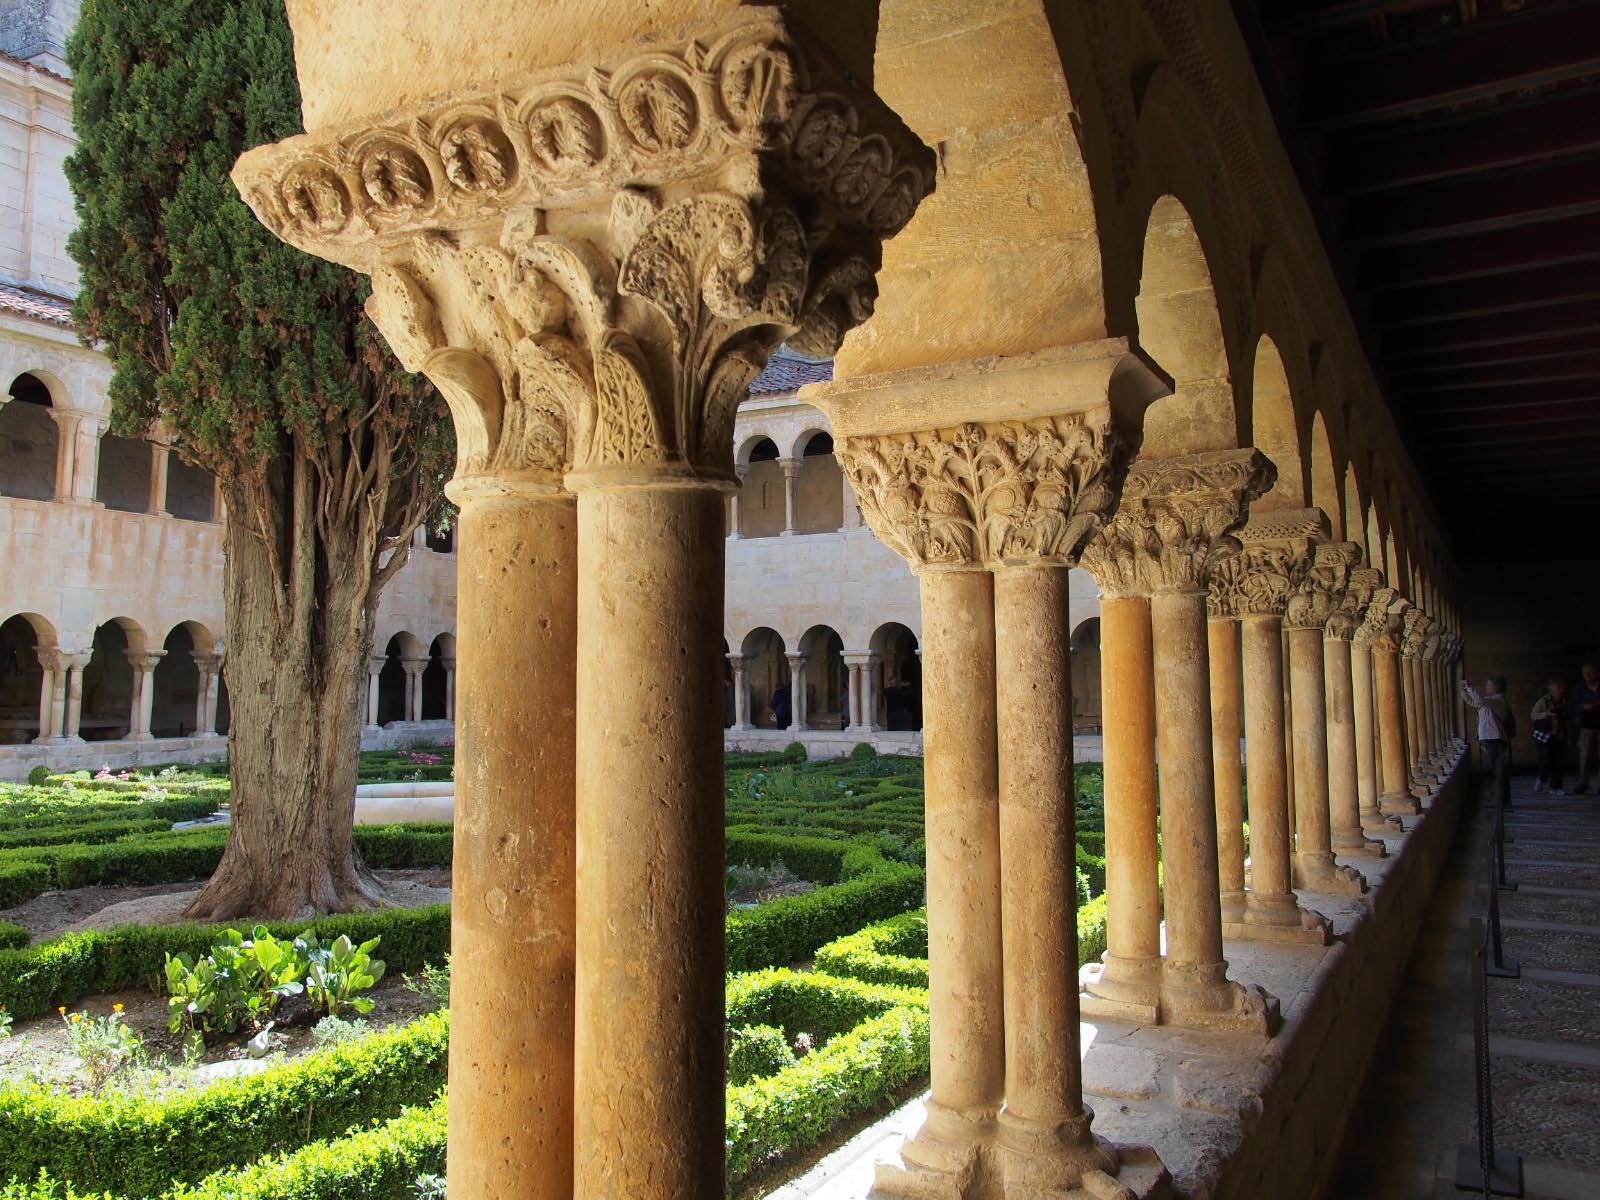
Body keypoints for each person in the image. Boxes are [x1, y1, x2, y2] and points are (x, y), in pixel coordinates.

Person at [1461, 676, 1514, 804]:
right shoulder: (1490, 700)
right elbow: (1473, 702)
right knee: (1496, 768)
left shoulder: (1498, 700)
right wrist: (1463, 690)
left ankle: (1502, 799)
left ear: (1496, 688)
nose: (1486, 687)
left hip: (1495, 738)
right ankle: (1501, 798)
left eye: (1489, 685)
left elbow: (1479, 701)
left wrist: (1468, 687)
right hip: (1490, 737)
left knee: (1498, 769)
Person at [1530, 677, 1568, 795]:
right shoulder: (1543, 701)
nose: (1561, 691)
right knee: (1546, 760)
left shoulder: (1564, 701)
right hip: (1544, 736)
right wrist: (1546, 714)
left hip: (1558, 735)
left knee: (1559, 761)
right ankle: (1541, 779)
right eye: (1558, 689)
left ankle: (1555, 787)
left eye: (1562, 688)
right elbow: (1533, 715)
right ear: (1552, 690)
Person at [1575, 662, 1600, 794]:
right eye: (1585, 673)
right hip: (1586, 726)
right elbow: (1575, 707)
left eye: (1590, 672)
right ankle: (1583, 782)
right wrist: (1584, 707)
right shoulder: (1580, 688)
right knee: (1584, 756)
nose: (1587, 676)